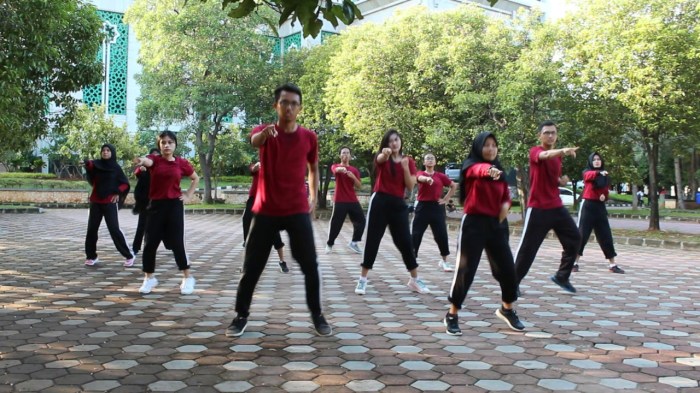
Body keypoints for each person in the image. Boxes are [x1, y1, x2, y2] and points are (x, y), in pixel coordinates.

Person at [226, 83, 331, 337]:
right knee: (251, 267)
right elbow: (254, 141)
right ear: (276, 106)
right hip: (265, 211)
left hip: (296, 210)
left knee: (310, 266)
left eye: (294, 103)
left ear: (300, 108)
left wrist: (314, 197)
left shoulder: (309, 137)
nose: (289, 107)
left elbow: (313, 168)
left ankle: (317, 315)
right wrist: (264, 136)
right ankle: (241, 315)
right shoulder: (265, 131)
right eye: (284, 102)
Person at [445, 132, 524, 335]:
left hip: (497, 224)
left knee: (507, 270)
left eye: (494, 145)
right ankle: (452, 314)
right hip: (474, 224)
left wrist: (506, 205)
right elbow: (478, 170)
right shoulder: (471, 166)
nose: (491, 149)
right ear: (479, 147)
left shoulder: (500, 171)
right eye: (486, 145)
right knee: (465, 270)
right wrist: (489, 170)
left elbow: (506, 196)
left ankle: (507, 309)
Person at [355, 129, 430, 296]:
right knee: (373, 240)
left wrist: (404, 168)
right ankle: (362, 279)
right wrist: (385, 154)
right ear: (386, 144)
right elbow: (380, 159)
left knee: (405, 242)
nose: (394, 143)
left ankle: (414, 279)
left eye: (396, 140)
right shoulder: (383, 157)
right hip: (380, 201)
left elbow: (410, 186)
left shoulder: (408, 161)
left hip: (398, 204)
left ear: (400, 141)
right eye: (390, 141)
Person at [514, 120, 581, 294]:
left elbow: (554, 178)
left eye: (553, 133)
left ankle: (562, 276)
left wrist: (561, 181)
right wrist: (564, 151)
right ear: (540, 135)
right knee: (528, 249)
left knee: (575, 238)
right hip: (538, 207)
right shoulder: (536, 151)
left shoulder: (557, 157)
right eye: (546, 133)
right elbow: (545, 156)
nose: (550, 135)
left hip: (556, 207)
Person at [132, 131, 200, 295]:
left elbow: (195, 178)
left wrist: (189, 195)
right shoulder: (155, 160)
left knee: (177, 243)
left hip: (174, 206)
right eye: (163, 142)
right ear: (159, 145)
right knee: (150, 244)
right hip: (155, 206)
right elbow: (147, 161)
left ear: (175, 144)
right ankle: (149, 278)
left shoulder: (181, 163)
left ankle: (187, 278)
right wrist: (141, 160)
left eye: (170, 142)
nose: (166, 145)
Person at [83, 144, 134, 267]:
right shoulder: (96, 164)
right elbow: (90, 167)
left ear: (112, 152)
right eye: (103, 150)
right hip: (96, 201)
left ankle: (128, 255)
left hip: (109, 202)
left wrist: (118, 192)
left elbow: (125, 184)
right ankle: (91, 256)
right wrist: (87, 163)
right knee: (91, 230)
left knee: (114, 229)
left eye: (108, 150)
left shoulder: (116, 168)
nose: (105, 152)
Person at [574, 152, 625, 274]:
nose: (597, 161)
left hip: (600, 207)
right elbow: (588, 177)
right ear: (591, 161)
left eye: (599, 159)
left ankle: (612, 265)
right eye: (594, 159)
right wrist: (598, 173)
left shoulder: (605, 175)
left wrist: (604, 197)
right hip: (588, 206)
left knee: (606, 235)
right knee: (582, 235)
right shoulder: (587, 172)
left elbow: (605, 191)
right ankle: (573, 262)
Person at [412, 153, 457, 272]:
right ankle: (412, 260)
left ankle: (444, 261)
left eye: (432, 159)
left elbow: (453, 186)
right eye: (428, 159)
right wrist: (427, 179)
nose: (430, 160)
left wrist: (446, 199)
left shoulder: (441, 176)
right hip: (422, 207)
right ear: (424, 163)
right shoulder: (420, 173)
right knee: (416, 234)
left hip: (437, 207)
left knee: (441, 235)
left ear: (435, 162)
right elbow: (420, 178)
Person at [242, 161, 289, 273]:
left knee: (274, 232)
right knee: (247, 223)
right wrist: (257, 167)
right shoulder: (258, 164)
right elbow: (252, 169)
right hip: (253, 200)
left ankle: (282, 262)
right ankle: (246, 263)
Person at [325, 146, 366, 255]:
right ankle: (330, 243)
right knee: (336, 224)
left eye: (347, 153)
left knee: (361, 221)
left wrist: (352, 176)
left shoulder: (354, 170)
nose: (345, 155)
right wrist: (341, 169)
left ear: (350, 156)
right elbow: (335, 170)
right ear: (340, 155)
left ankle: (354, 242)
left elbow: (359, 186)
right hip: (340, 200)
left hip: (352, 200)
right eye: (343, 153)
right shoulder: (336, 166)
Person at [131, 148, 160, 255]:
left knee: (163, 226)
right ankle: (135, 248)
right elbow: (137, 174)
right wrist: (140, 169)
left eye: (157, 156)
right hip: (145, 202)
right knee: (142, 226)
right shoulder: (144, 169)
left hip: (159, 201)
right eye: (153, 156)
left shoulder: (162, 169)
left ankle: (170, 245)